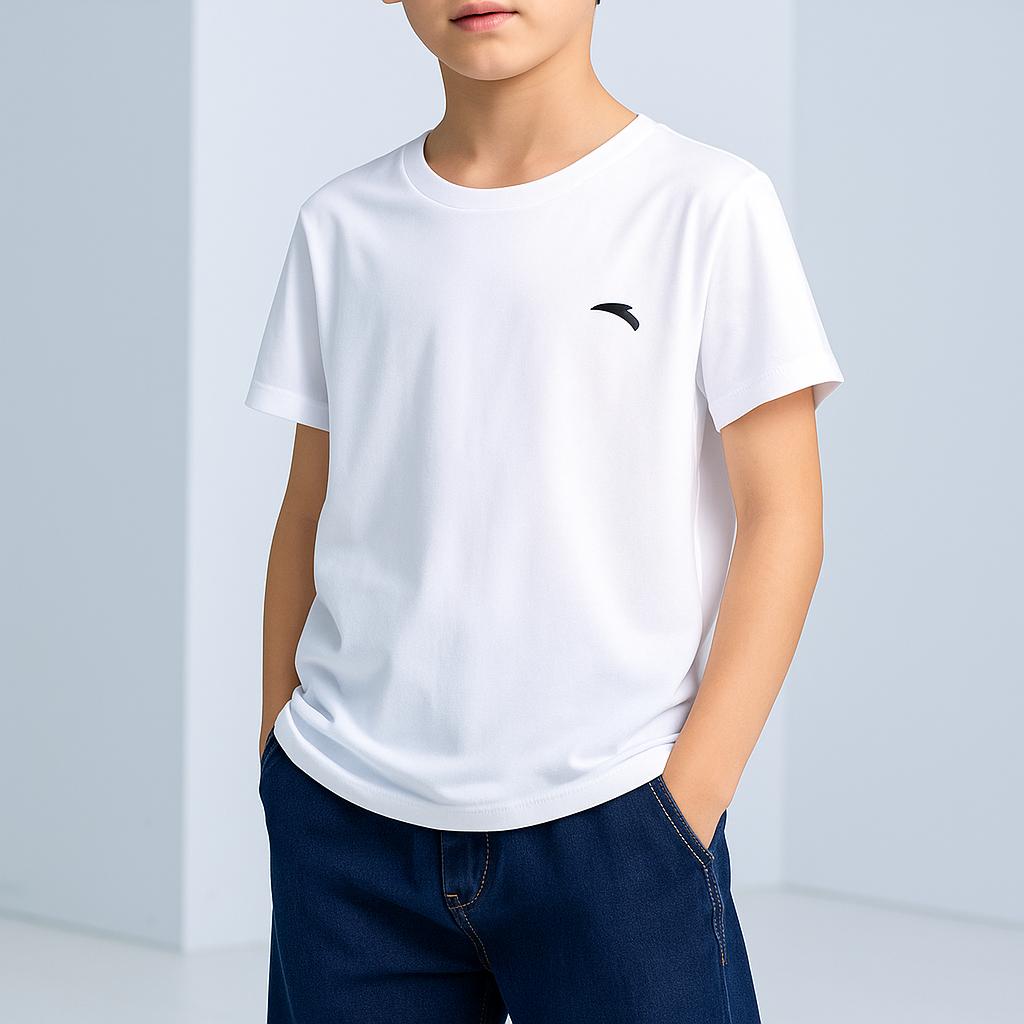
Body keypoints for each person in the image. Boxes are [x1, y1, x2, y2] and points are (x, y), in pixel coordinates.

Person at [244, 2, 843, 1021]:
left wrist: (687, 801)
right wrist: (279, 757)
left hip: (617, 819)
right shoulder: (342, 224)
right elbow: (310, 508)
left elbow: (783, 514)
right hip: (347, 824)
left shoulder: (706, 205)